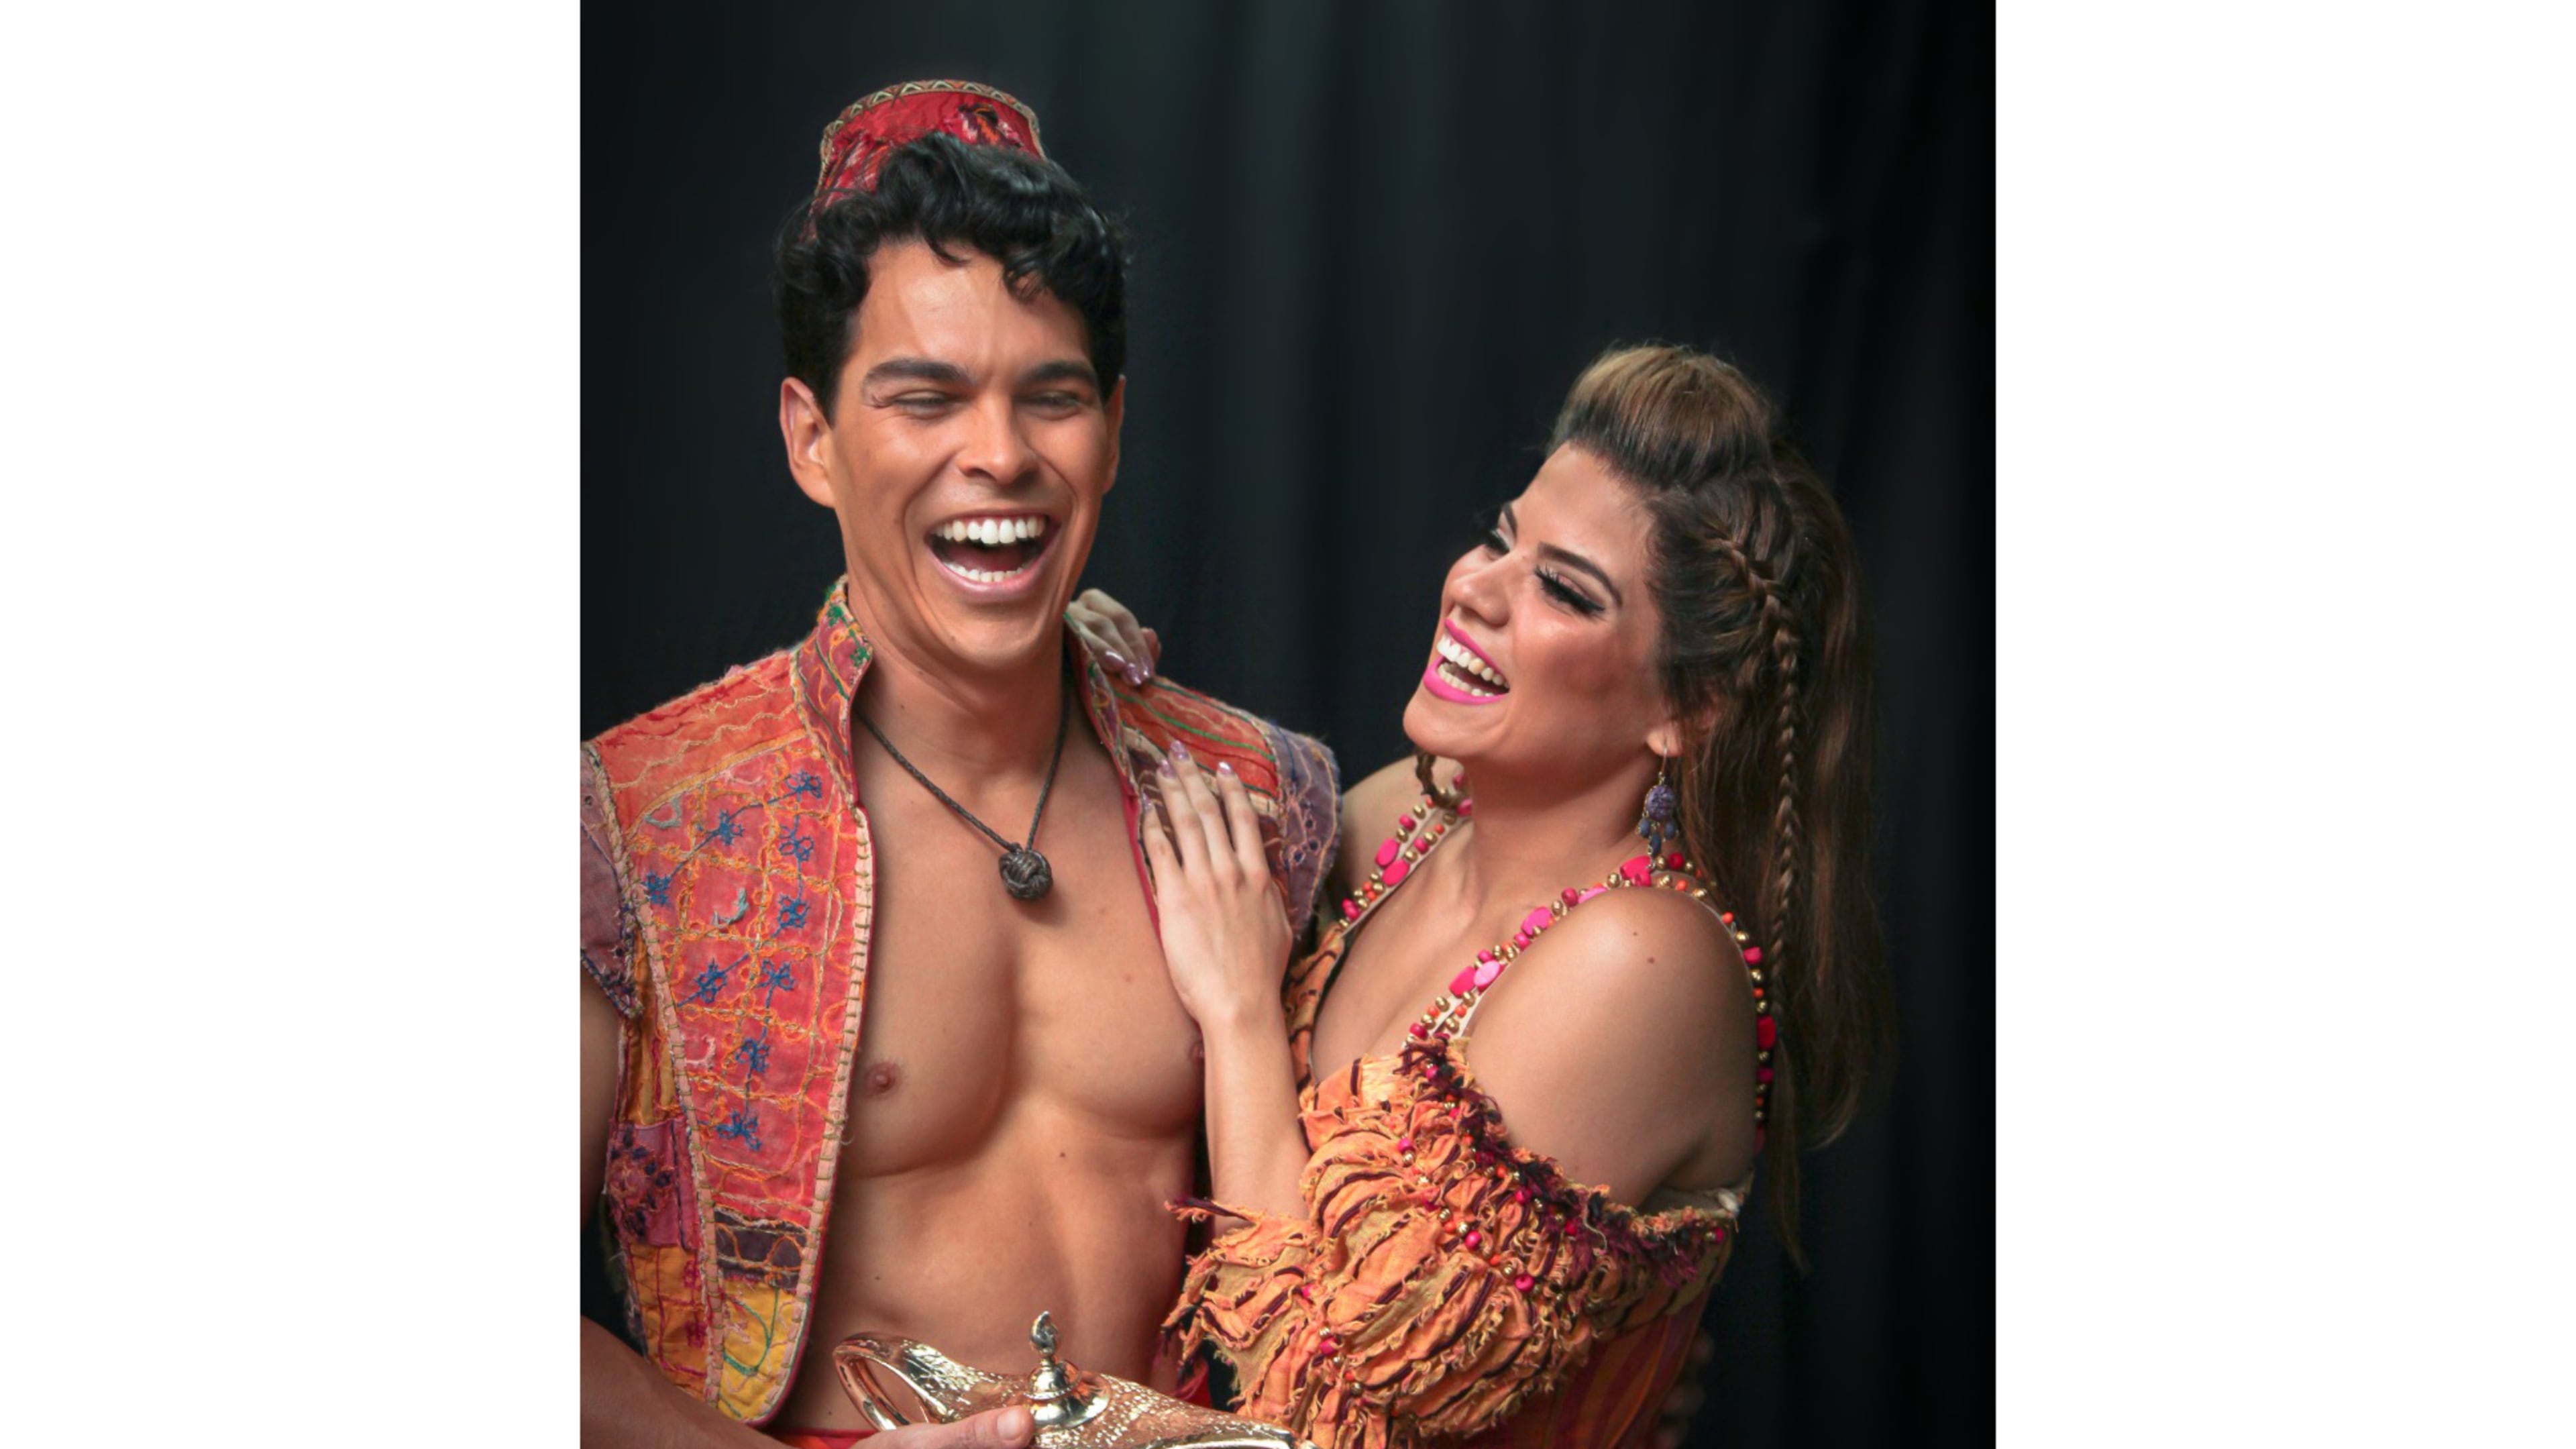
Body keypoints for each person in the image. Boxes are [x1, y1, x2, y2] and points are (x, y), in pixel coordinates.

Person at [580, 81, 1340, 1448]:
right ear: (813, 441)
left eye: (1049, 400)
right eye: (925, 399)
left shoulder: (1253, 799)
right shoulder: (644, 820)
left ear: (1112, 426)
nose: (999, 457)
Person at [1097, 344, 1890, 1449]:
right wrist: (1083, 663)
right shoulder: (1412, 819)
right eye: (1499, 540)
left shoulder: (1642, 962)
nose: (1473, 589)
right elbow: (1168, 809)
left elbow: (1316, 1413)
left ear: (1692, 709)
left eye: (1561, 588)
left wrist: (1238, 1011)